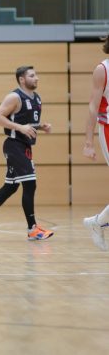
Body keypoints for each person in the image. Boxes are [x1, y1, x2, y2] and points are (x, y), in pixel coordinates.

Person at [0, 66, 54, 242]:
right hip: (14, 145)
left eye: (36, 74)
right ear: (22, 79)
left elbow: (27, 123)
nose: (37, 78)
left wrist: (41, 126)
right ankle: (32, 229)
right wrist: (20, 128)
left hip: (24, 146)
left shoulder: (37, 98)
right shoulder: (14, 97)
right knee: (30, 183)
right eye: (32, 76)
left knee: (11, 186)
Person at [81, 35, 109, 251]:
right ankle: (97, 222)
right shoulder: (103, 69)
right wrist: (88, 142)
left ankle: (97, 222)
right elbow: (93, 106)